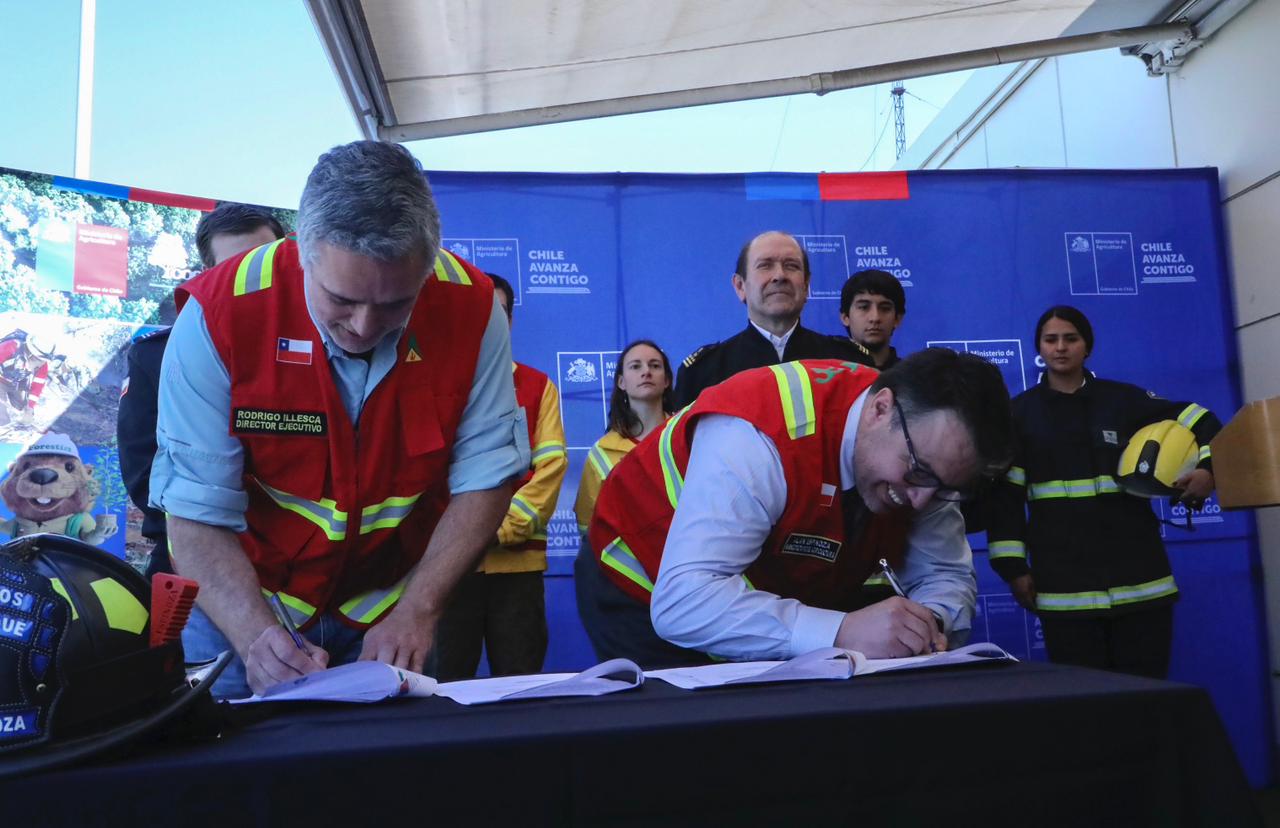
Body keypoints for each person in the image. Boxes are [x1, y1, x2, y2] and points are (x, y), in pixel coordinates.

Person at [150, 141, 529, 697]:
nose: (364, 325)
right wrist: (256, 637)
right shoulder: (220, 313)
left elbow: (486, 475)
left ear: (428, 264)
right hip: (246, 597)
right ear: (300, 251)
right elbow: (194, 512)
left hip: (397, 600)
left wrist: (421, 606)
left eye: (396, 303)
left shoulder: (472, 308)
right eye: (340, 298)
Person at [588, 348, 1013, 667]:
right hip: (644, 582)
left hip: (763, 590)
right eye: (917, 471)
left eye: (944, 489)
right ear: (880, 409)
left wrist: (929, 625)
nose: (921, 501)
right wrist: (841, 630)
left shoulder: (926, 452)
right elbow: (684, 603)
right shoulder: (760, 434)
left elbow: (945, 573)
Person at [987, 305, 1221, 678]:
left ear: (1087, 347)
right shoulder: (1019, 414)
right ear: (1039, 348)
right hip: (1065, 593)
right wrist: (1012, 569)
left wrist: (1208, 469)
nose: (1060, 347)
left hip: (1143, 587)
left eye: (1071, 338)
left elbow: (1202, 420)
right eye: (1051, 340)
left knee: (1146, 703)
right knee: (1086, 710)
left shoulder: (1124, 400)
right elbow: (1007, 500)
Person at [118, 203, 286, 578]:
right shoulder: (157, 356)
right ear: (210, 275)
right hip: (192, 558)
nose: (252, 280)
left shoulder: (326, 349)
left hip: (303, 562)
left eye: (264, 263)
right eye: (235, 269)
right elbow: (142, 471)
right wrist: (202, 534)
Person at [435, 274, 567, 679]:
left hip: (517, 568)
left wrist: (497, 529)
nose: (491, 322)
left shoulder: (537, 385)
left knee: (522, 686)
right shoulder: (433, 385)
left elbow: (550, 467)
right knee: (442, 689)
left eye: (500, 313)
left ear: (509, 322)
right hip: (446, 569)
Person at [673, 231, 872, 408]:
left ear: (806, 285)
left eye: (791, 266)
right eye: (765, 266)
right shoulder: (701, 373)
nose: (779, 276)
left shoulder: (849, 363)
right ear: (740, 286)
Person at [572, 339, 676, 661]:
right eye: (636, 366)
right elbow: (591, 529)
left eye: (654, 366)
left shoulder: (687, 434)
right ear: (621, 382)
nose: (646, 372)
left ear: (667, 380)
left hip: (685, 576)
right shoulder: (602, 452)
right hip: (628, 589)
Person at [840, 269, 906, 370]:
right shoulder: (830, 377)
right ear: (845, 317)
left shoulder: (911, 378)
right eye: (864, 307)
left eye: (885, 308)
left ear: (898, 319)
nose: (875, 318)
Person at [0, 332, 60, 425]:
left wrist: (30, 407)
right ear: (31, 353)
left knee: (21, 408)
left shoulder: (43, 365)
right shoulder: (10, 346)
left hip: (16, 383)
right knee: (2, 416)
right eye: (39, 359)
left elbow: (37, 386)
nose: (41, 363)